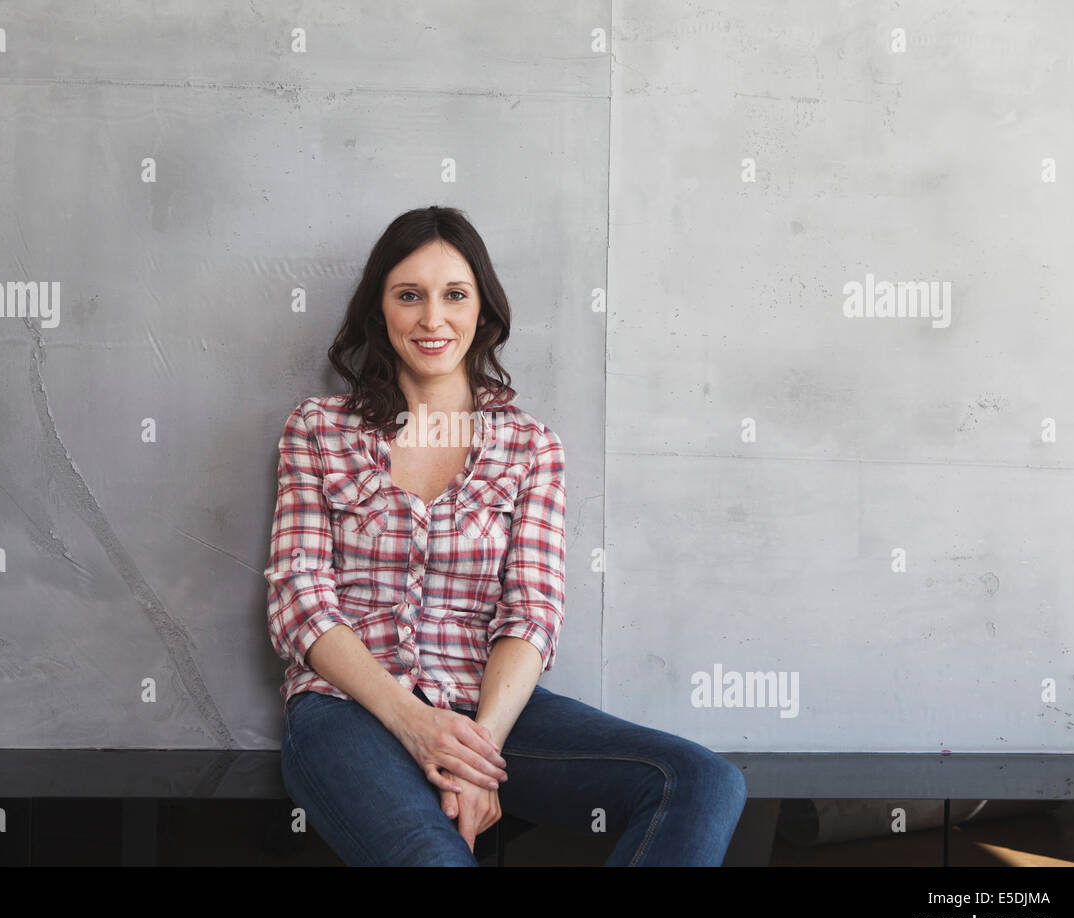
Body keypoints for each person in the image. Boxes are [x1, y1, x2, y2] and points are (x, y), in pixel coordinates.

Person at [263, 206, 747, 866]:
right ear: (380, 314)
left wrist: (477, 751)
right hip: (349, 711)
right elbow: (300, 603)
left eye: (454, 295)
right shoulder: (318, 430)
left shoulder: (530, 447)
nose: (433, 319)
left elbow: (533, 612)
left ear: (483, 311)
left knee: (703, 783)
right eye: (410, 296)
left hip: (491, 708)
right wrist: (417, 724)